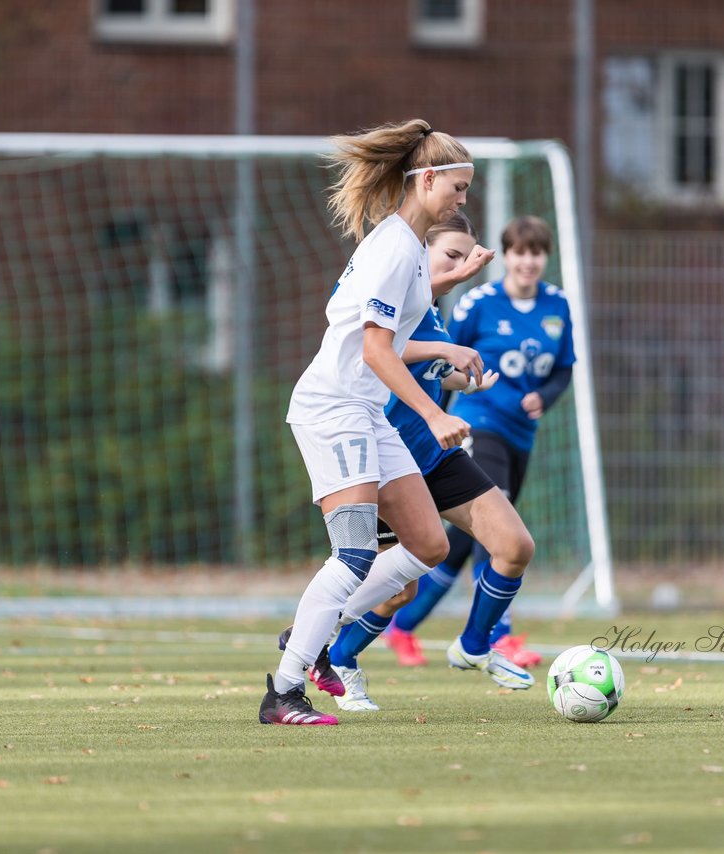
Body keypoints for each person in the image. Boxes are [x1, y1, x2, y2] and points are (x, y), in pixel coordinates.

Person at [259, 119, 475, 726]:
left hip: (363, 414)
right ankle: (282, 692)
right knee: (352, 554)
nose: (463, 200)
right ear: (427, 179)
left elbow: (384, 335)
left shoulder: (405, 249)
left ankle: (317, 635)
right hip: (334, 410)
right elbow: (375, 352)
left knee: (429, 543)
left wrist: (446, 286)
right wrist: (435, 416)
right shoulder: (392, 247)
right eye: (457, 188)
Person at [322, 212, 538, 712]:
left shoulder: (434, 308)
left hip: (434, 456)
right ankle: (339, 657)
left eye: (468, 257)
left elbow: (436, 368)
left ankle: (474, 646)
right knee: (399, 590)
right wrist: (445, 349)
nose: (461, 266)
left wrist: (465, 376)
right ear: (422, 257)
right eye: (451, 255)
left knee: (514, 546)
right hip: (388, 459)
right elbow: (383, 348)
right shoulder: (392, 294)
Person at [386, 215, 575, 670]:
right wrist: (440, 415)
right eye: (519, 252)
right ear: (505, 257)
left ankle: (404, 625)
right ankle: (495, 638)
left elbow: (564, 367)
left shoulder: (558, 306)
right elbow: (439, 359)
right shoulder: (478, 303)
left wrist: (544, 397)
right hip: (476, 424)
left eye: (536, 252)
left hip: (520, 435)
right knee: (498, 535)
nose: (527, 261)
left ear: (545, 257)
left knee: (470, 541)